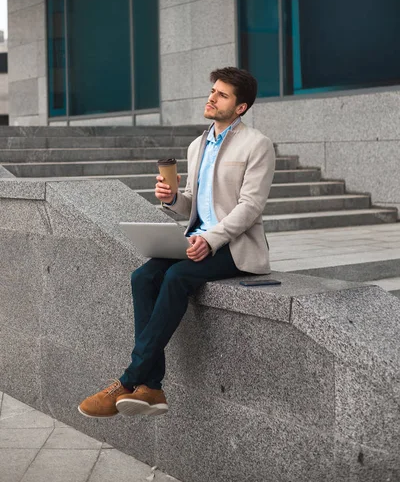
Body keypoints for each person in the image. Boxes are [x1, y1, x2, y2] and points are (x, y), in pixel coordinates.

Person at [78, 67, 276, 418]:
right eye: (213, 90)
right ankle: (152, 388)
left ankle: (131, 379)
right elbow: (192, 204)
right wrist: (171, 199)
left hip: (234, 248)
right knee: (143, 276)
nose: (212, 97)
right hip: (195, 241)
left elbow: (250, 207)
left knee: (176, 278)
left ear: (241, 107)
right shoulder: (197, 145)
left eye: (223, 94)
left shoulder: (256, 145)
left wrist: (211, 239)